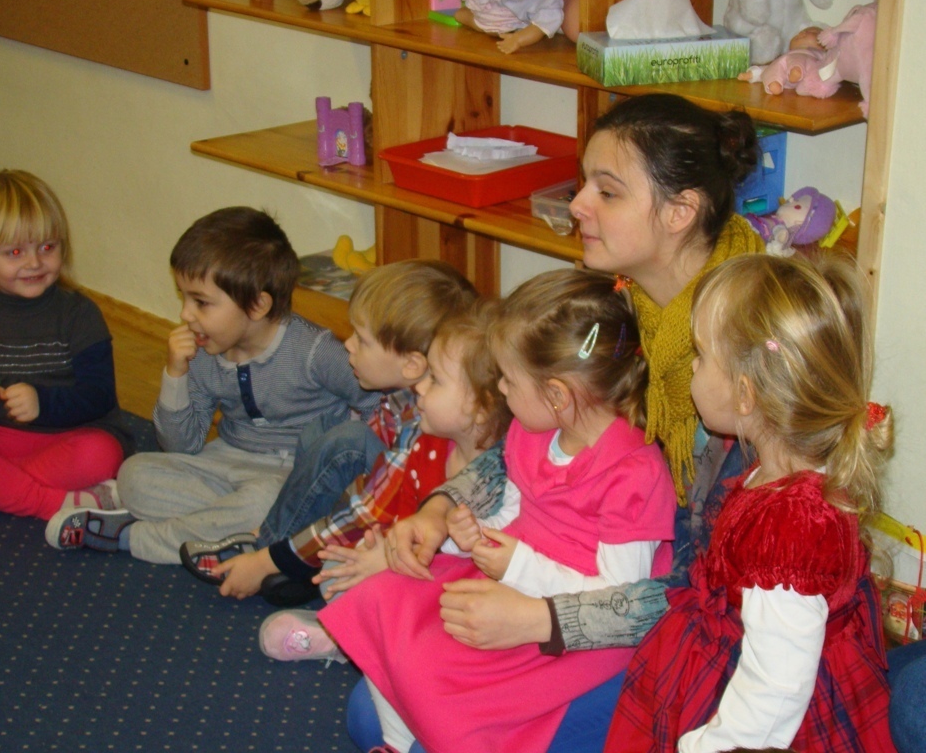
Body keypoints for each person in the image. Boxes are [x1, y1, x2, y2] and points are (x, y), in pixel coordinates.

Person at [353, 93, 766, 752]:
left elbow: (704, 593)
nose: (577, 205)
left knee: (424, 715)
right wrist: (440, 509)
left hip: (684, 625)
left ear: (680, 211)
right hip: (567, 576)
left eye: (607, 191)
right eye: (583, 185)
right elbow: (536, 444)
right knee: (376, 695)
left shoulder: (737, 369)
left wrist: (542, 619)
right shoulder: (624, 305)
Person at [320, 268, 678, 753]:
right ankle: (397, 744)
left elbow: (619, 597)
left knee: (439, 685)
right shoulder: (535, 432)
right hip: (513, 580)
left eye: (508, 379)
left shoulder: (633, 473)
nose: (501, 391)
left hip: (573, 631)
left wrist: (518, 567)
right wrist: (468, 534)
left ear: (556, 395)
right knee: (383, 601)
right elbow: (515, 510)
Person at [608, 252, 895, 752]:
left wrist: (709, 745)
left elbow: (775, 690)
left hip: (753, 716)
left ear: (745, 395)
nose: (691, 366)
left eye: (700, 355)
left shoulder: (791, 526)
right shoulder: (784, 472)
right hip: (735, 657)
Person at [44, 206, 381, 562]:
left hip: (295, 475)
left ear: (257, 305)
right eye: (184, 297)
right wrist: (175, 374)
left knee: (265, 502)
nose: (185, 314)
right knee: (134, 476)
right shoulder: (205, 352)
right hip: (225, 463)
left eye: (201, 302)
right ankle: (238, 533)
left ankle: (134, 536)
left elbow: (376, 403)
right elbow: (181, 445)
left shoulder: (314, 351)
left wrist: (352, 475)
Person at [178, 259, 481, 604]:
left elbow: (368, 509)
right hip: (383, 503)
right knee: (324, 429)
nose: (348, 345)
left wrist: (267, 560)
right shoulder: (401, 396)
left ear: (412, 364)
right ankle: (291, 550)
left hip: (403, 526)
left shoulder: (423, 424)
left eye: (362, 340)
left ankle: (266, 552)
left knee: (346, 443)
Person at [255, 300, 514, 663]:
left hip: (457, 591)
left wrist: (390, 562)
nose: (419, 387)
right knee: (339, 569)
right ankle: (359, 637)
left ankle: (351, 642)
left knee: (391, 594)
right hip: (410, 570)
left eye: (436, 380)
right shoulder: (428, 443)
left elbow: (476, 568)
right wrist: (380, 547)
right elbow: (398, 515)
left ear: (480, 407)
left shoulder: (505, 478)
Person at [0, 169, 131, 520]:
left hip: (66, 439)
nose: (34, 262)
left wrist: (43, 403)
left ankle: (8, 489)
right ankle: (55, 505)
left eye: (47, 247)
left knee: (102, 453)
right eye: (14, 251)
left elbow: (99, 396)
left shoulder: (79, 313)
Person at [455, 0, 581, 54]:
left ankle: (465, 15)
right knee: (470, 18)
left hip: (502, 21)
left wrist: (518, 40)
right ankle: (465, 15)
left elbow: (543, 23)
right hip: (486, 4)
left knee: (478, 23)